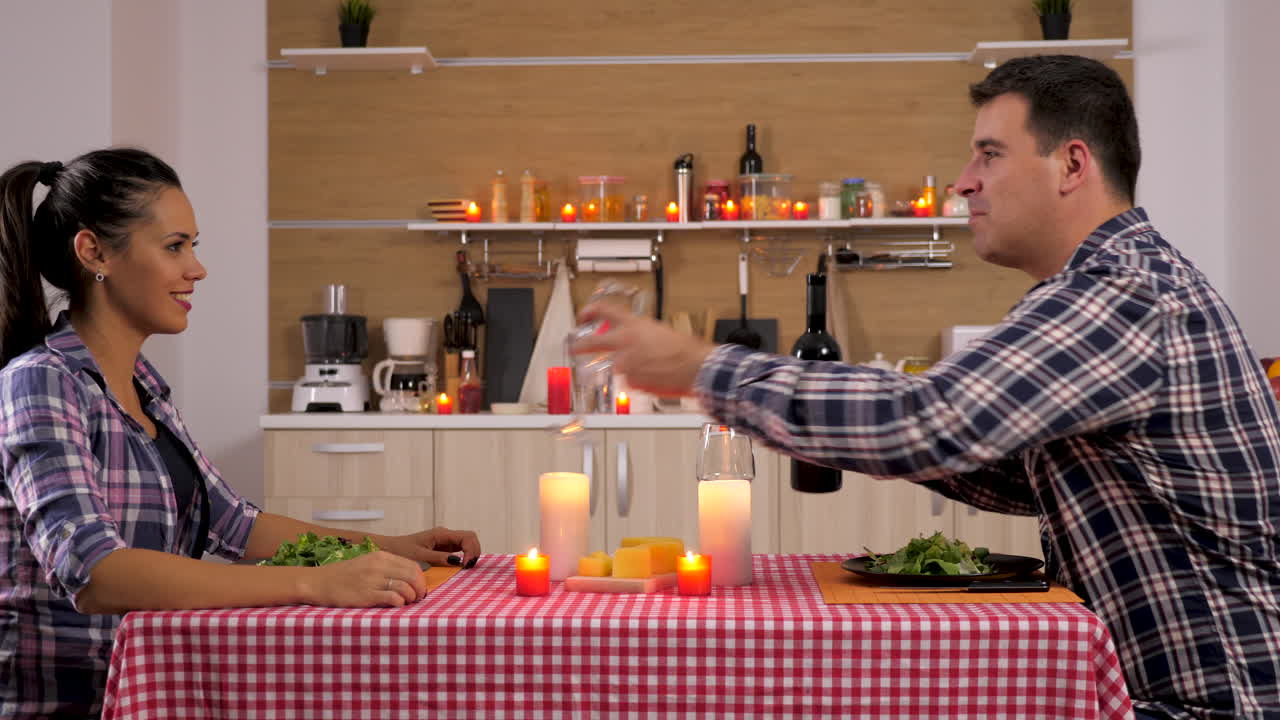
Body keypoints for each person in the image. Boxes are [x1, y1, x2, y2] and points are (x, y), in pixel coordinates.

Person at [573, 56, 1280, 719]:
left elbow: (932, 421)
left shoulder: (1119, 292)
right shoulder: (1127, 281)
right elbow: (997, 462)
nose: (964, 180)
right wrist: (873, 434)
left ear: (1071, 164)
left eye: (990, 154)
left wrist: (702, 368)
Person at [0, 148, 482, 718]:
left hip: (150, 693)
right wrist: (314, 585)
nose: (196, 269)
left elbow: (234, 523)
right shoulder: (42, 383)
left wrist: (396, 546)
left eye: (193, 246)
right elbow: (95, 571)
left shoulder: (144, 385)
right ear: (94, 251)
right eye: (175, 246)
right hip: (74, 703)